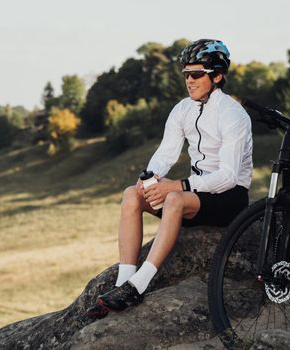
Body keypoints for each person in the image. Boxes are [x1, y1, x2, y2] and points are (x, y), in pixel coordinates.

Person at [89, 39, 253, 316]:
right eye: (186, 74)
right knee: (132, 194)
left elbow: (227, 175)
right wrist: (150, 178)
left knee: (175, 198)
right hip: (195, 195)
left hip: (229, 197)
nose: (189, 81)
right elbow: (166, 154)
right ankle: (122, 283)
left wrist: (179, 186)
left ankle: (138, 286)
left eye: (197, 74)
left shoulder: (233, 115)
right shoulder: (182, 109)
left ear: (217, 76)